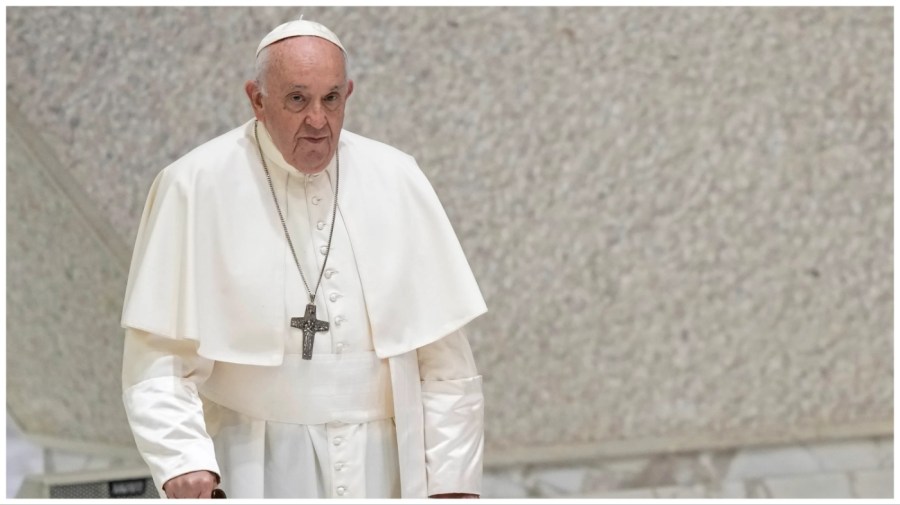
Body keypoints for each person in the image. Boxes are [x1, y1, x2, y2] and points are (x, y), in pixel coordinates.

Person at [121, 18, 487, 499]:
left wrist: (452, 483)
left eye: (331, 99)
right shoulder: (194, 184)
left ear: (348, 94)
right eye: (297, 99)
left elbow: (445, 362)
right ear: (257, 98)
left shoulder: (397, 178)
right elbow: (158, 357)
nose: (318, 119)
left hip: (386, 466)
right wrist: (182, 458)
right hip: (253, 460)